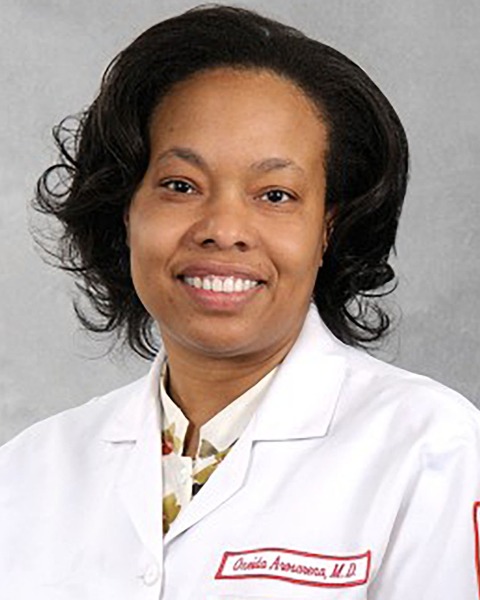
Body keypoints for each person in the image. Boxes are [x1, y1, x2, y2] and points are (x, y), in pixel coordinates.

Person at [1, 4, 479, 598]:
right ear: (126, 210)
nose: (224, 230)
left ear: (328, 227)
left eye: (275, 195)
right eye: (180, 185)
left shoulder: (431, 450)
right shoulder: (26, 473)